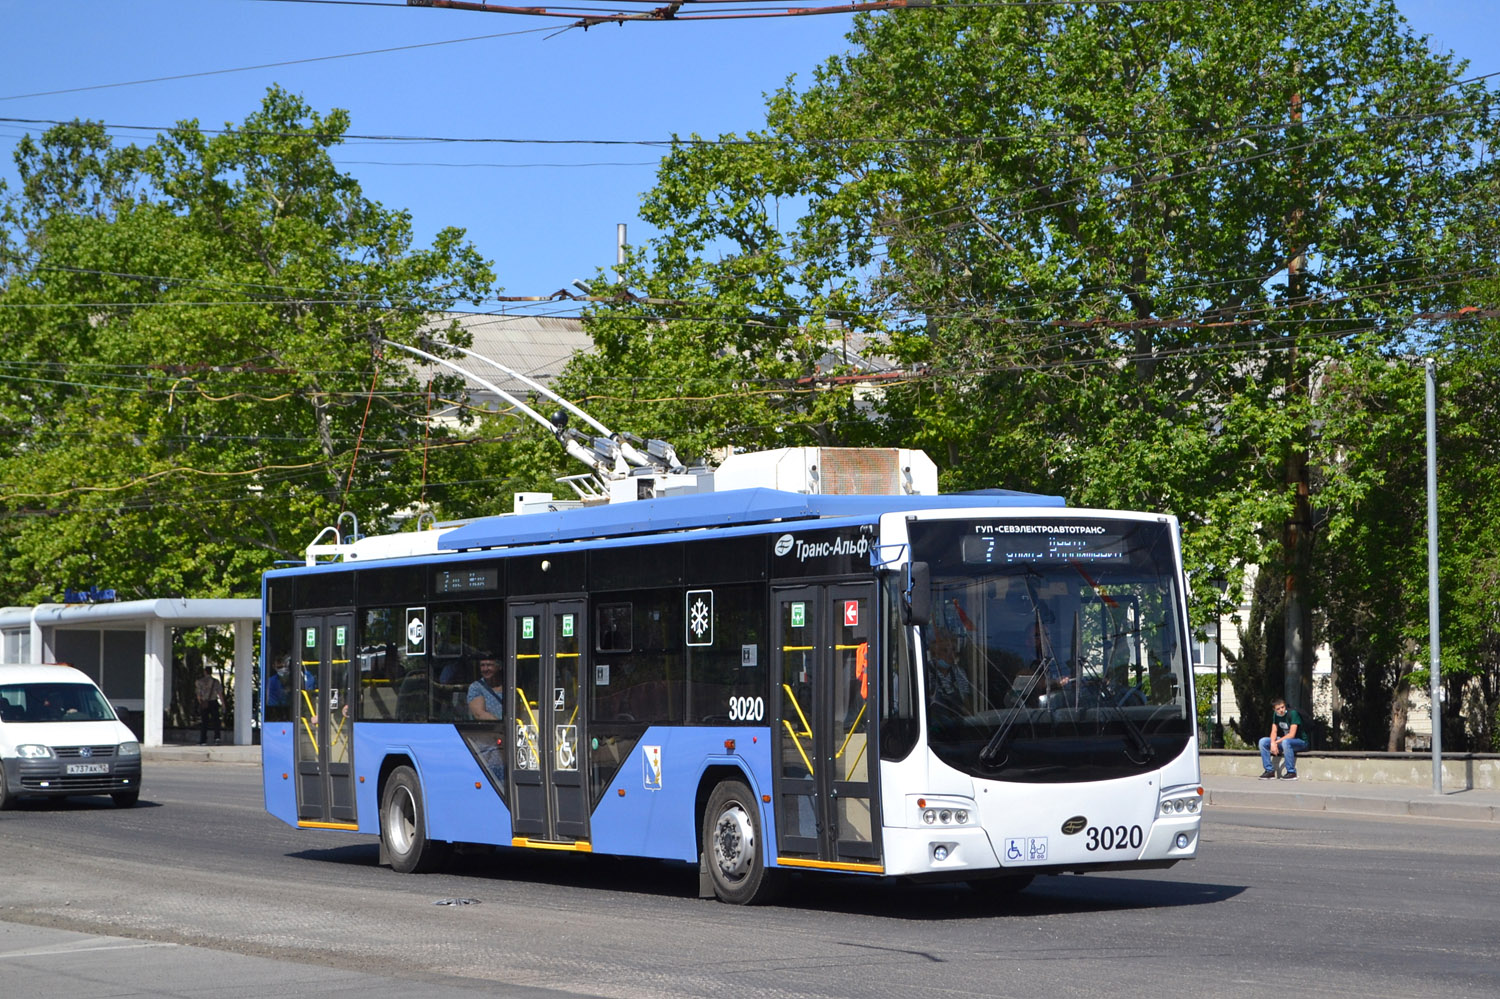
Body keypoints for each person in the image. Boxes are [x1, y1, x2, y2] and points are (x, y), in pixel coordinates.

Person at [1258, 696, 1307, 780]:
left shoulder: (1293, 713)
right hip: (1285, 742)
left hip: (1300, 742)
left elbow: (1291, 735)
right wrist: (1272, 742)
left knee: (1286, 742)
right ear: (1274, 710)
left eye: (1282, 707)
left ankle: (1291, 772)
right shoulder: (1276, 715)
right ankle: (1269, 771)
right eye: (1278, 709)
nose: (1281, 710)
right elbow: (1274, 731)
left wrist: (1276, 743)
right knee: (1263, 741)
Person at [926, 629, 972, 706]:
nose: (951, 654)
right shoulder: (925, 672)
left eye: (953, 649)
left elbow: (966, 701)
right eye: (945, 650)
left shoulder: (959, 672)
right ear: (935, 653)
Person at [467, 656, 505, 721]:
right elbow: (479, 714)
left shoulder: (509, 685)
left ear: (499, 667)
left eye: (489, 665)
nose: (485, 669)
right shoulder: (476, 687)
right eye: (482, 665)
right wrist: (503, 726)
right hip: (491, 729)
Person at [196, 664, 225, 745]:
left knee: (204, 722)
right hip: (213, 702)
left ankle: (203, 740)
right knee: (216, 721)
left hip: (204, 703)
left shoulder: (199, 682)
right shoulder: (216, 682)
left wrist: (201, 703)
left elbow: (198, 695)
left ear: (205, 672)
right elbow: (220, 694)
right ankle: (217, 738)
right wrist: (223, 704)